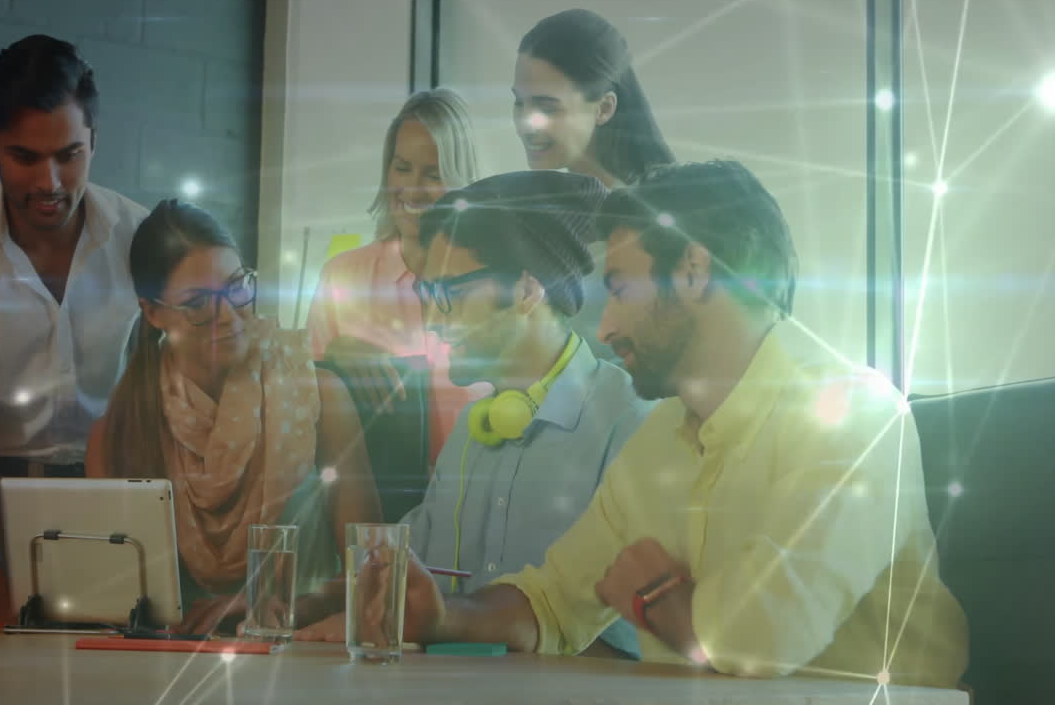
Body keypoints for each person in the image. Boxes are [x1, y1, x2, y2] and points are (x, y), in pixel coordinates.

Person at [388, 161, 969, 687]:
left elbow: (763, 638)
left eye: (620, 289)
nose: (606, 326)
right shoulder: (660, 442)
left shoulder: (855, 414)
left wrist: (655, 596)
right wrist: (444, 615)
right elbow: (550, 602)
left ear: (692, 270)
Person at [298, 170, 653, 659]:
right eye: (429, 297)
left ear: (528, 290)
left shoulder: (630, 422)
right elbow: (408, 566)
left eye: (452, 294)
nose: (435, 320)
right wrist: (295, 606)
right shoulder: (473, 430)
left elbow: (631, 636)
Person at [0, 35, 148, 623]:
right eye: (24, 156)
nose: (51, 182)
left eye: (70, 154)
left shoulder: (142, 240)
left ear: (95, 138)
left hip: (114, 515)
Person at [85, 199, 382, 635]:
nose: (228, 316)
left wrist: (278, 606)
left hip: (305, 652)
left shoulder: (317, 397)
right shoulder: (120, 430)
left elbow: (374, 571)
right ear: (152, 313)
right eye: (199, 303)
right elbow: (112, 596)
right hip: (171, 672)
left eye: (237, 287)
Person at [305, 89, 491, 472]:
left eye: (434, 174)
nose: (412, 189)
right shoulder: (342, 278)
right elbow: (304, 414)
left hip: (475, 498)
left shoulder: (493, 282)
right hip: (372, 505)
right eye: (402, 168)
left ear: (462, 181)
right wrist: (334, 362)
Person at [513, 8, 677, 362]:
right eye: (519, 103)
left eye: (546, 107)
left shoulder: (649, 224)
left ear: (604, 108)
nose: (527, 124)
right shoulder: (539, 213)